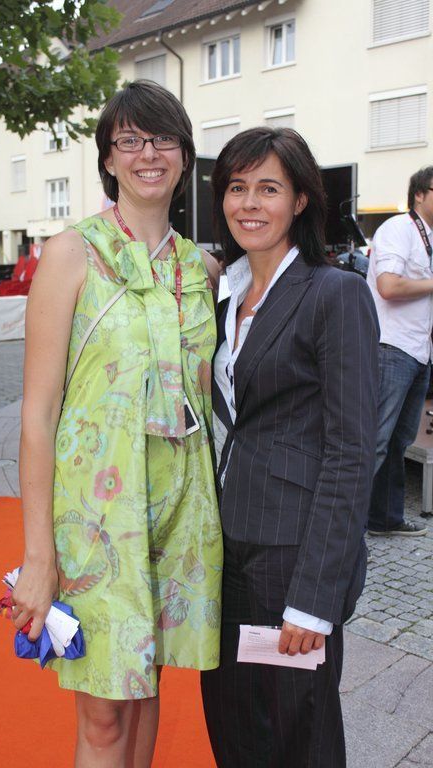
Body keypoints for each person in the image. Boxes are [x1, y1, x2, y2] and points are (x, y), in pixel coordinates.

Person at [10, 80, 223, 768]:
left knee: (146, 685)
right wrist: (38, 557)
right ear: (107, 159)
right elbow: (38, 413)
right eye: (129, 141)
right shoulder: (72, 253)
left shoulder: (201, 268)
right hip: (97, 516)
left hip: (180, 510)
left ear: (185, 156)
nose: (147, 154)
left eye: (162, 139)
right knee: (102, 714)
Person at [200, 127, 379, 768]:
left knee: (299, 731)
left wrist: (315, 596)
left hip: (291, 554)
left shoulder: (335, 293)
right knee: (234, 724)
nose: (249, 203)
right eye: (237, 187)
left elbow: (351, 451)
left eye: (268, 188)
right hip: (227, 548)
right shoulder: (225, 293)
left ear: (300, 200)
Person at [366, 166, 433, 538]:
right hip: (390, 348)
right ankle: (344, 530)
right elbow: (389, 286)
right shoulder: (398, 229)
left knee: (397, 443)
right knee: (374, 441)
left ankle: (384, 519)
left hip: (418, 351)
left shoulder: (429, 238)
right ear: (419, 194)